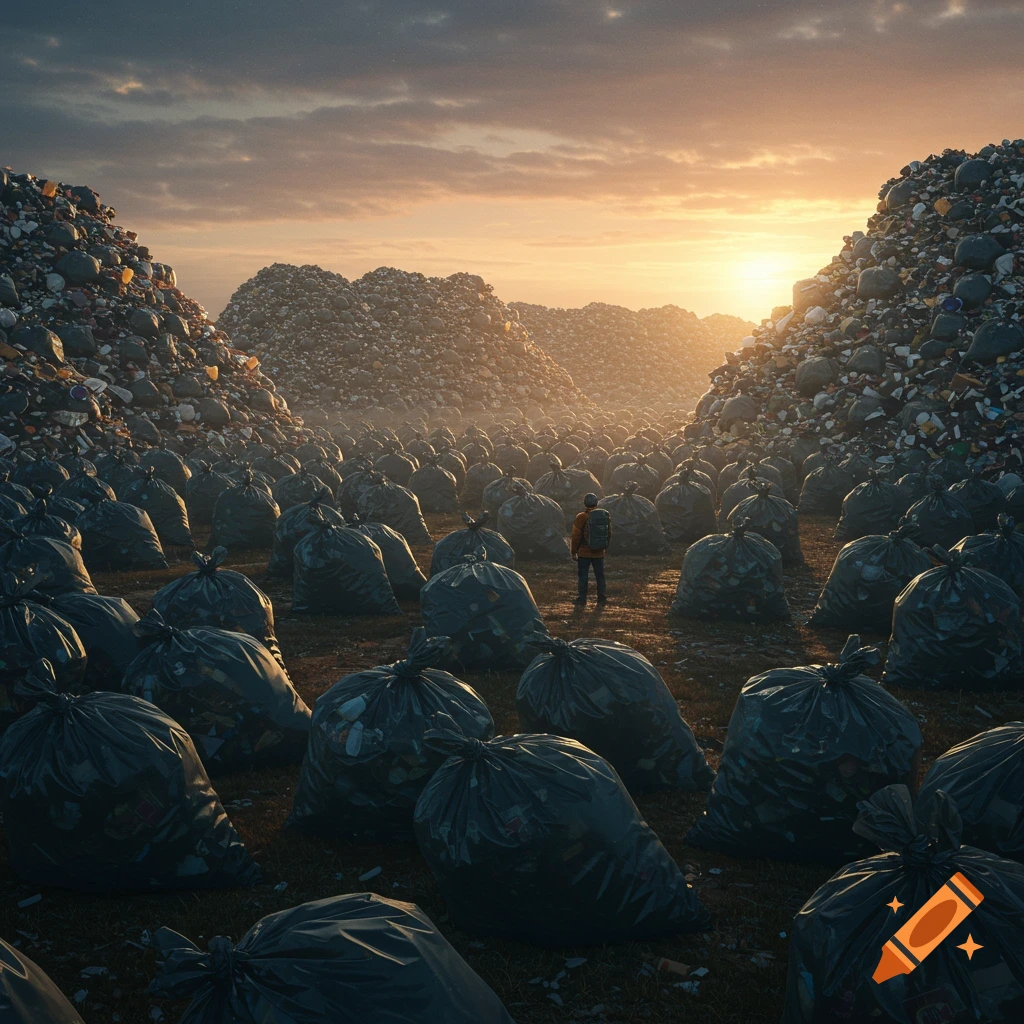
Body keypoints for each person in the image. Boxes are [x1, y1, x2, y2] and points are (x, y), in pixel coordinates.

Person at [571, 493, 611, 605]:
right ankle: (602, 598)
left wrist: (574, 551)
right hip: (599, 552)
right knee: (600, 576)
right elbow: (609, 533)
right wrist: (603, 547)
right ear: (597, 503)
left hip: (584, 552)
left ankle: (582, 599)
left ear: (584, 503)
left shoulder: (581, 517)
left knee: (583, 576)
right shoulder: (604, 515)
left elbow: (576, 535)